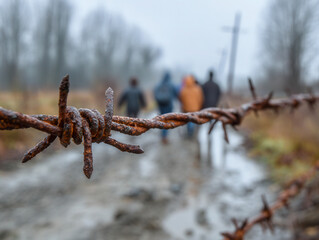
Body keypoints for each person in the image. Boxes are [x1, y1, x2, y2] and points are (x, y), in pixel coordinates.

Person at [154, 72, 178, 144]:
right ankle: (165, 135)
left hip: (161, 105)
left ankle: (163, 134)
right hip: (168, 105)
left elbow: (155, 93)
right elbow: (175, 93)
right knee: (167, 120)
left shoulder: (159, 84)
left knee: (161, 119)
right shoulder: (171, 84)